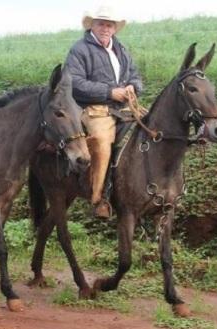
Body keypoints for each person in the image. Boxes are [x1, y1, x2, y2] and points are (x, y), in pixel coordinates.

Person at [64, 4, 143, 218]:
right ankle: (99, 198)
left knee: (152, 129)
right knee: (100, 141)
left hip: (124, 107)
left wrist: (132, 87)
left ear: (115, 28)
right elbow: (74, 82)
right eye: (101, 24)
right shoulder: (79, 49)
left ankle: (143, 189)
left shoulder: (121, 49)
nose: (105, 28)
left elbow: (135, 76)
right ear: (93, 25)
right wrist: (109, 92)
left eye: (110, 25)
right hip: (94, 109)